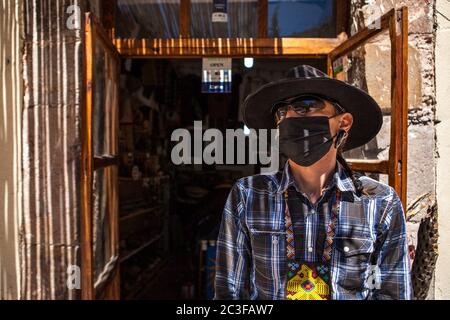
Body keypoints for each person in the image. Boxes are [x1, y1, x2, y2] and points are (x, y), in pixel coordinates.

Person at [214, 65, 412, 300]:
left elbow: (393, 294)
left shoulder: (380, 203)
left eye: (305, 106)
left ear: (343, 122)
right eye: (281, 112)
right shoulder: (248, 196)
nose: (289, 117)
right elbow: (229, 293)